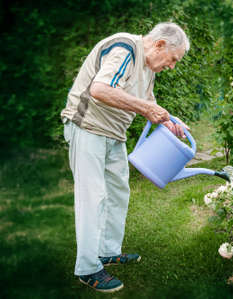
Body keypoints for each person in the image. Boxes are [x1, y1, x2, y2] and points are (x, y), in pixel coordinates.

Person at [61, 22, 190, 293]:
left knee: (119, 192)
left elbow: (148, 102)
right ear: (159, 45)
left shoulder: (147, 67)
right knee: (92, 197)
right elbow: (100, 89)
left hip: (113, 134)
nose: (172, 66)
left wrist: (168, 122)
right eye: (173, 59)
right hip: (88, 128)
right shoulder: (125, 48)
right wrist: (147, 109)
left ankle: (107, 251)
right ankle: (88, 268)